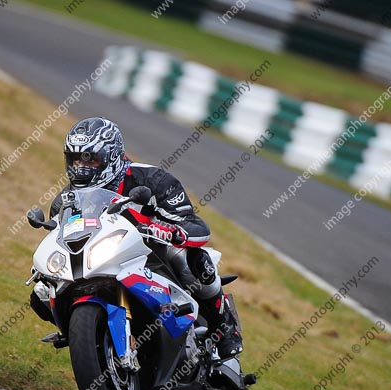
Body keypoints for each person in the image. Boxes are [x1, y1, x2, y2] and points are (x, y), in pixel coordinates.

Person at [34, 116, 243, 360]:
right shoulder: (64, 200)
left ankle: (224, 326)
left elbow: (197, 226)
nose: (81, 166)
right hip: (101, 262)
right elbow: (60, 239)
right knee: (40, 291)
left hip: (153, 257)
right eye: (75, 159)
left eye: (90, 159)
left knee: (194, 258)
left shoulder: (152, 179)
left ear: (111, 156)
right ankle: (87, 337)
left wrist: (173, 232)